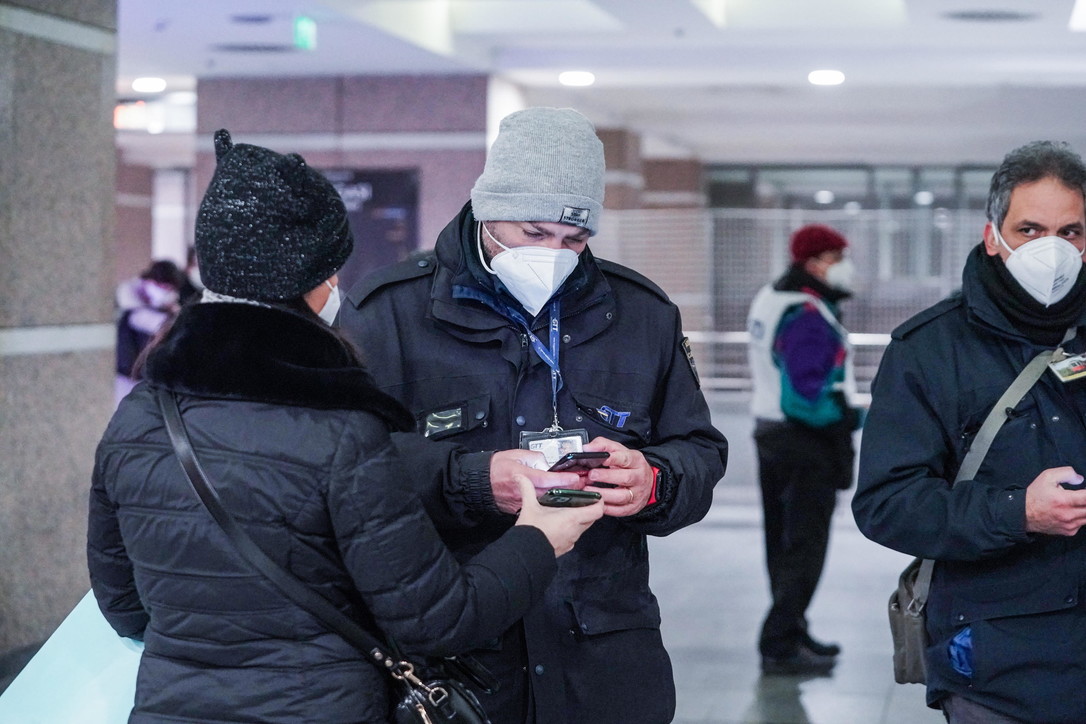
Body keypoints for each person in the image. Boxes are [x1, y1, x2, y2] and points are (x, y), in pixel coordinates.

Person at [87, 129, 604, 724]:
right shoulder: (341, 434)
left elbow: (124, 606)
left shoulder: (140, 415)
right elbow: (437, 619)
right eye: (332, 271)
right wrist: (540, 535)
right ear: (312, 280)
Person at [338, 106, 729, 723]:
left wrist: (655, 481)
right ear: (487, 214)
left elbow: (699, 448)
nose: (554, 252)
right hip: (455, 656)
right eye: (533, 233)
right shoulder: (387, 315)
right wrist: (470, 478)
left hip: (601, 649)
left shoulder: (642, 314)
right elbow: (349, 468)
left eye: (574, 240)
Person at [852, 140, 1086, 724]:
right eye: (1030, 229)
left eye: (1071, 232)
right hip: (996, 668)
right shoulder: (928, 350)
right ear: (993, 237)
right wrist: (1018, 512)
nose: (1052, 250)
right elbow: (886, 503)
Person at [746, 224, 860, 675]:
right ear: (814, 263)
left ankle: (792, 628)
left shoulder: (772, 297)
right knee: (805, 547)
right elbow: (806, 399)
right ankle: (779, 641)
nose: (845, 266)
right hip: (803, 442)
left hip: (770, 433)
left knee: (782, 542)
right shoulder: (808, 314)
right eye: (837, 256)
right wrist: (853, 417)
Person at [114, 259, 183, 404]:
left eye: (168, 288)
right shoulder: (132, 310)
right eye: (161, 286)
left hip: (146, 379)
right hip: (128, 377)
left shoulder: (164, 308)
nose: (164, 291)